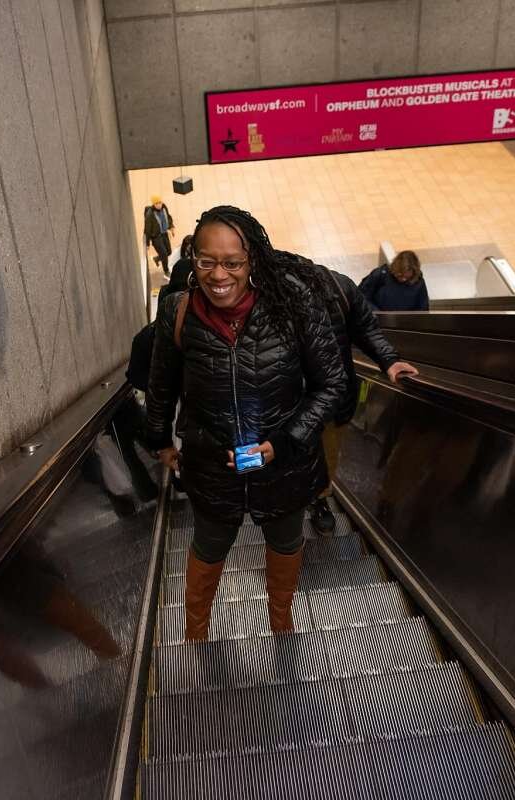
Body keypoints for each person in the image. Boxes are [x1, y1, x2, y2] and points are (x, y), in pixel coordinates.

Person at [145, 206, 345, 640]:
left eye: (233, 262)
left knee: (286, 540)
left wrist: (284, 443)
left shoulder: (292, 304)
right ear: (192, 258)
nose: (219, 275)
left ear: (253, 259)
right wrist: (159, 440)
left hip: (284, 463)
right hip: (212, 464)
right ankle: (195, 635)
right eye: (206, 261)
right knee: (210, 545)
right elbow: (161, 384)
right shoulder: (178, 312)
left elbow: (331, 383)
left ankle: (282, 623)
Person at [306, 265, 419, 533]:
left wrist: (389, 360)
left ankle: (319, 500)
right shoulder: (262, 296)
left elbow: (365, 327)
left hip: (333, 401)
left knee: (328, 453)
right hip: (286, 403)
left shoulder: (337, 286)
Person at [358, 249, 430, 311]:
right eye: (400, 275)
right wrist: (376, 312)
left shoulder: (419, 282)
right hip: (378, 319)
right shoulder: (381, 274)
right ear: (394, 269)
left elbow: (423, 308)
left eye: (407, 278)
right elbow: (361, 296)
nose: (403, 279)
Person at [143, 196, 175, 276]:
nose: (159, 205)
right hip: (156, 237)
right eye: (157, 203)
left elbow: (168, 217)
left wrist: (171, 227)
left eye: (160, 202)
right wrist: (147, 243)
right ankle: (166, 271)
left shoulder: (164, 207)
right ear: (153, 204)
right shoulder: (150, 215)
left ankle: (156, 259)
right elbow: (147, 230)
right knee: (164, 254)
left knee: (169, 252)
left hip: (164, 234)